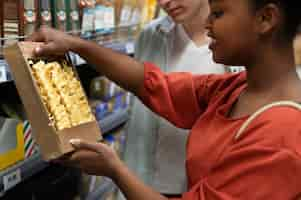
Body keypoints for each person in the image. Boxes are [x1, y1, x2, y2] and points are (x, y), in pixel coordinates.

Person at [30, 0, 301, 199]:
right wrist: (77, 45)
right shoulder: (236, 88)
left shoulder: (282, 137)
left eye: (217, 13)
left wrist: (114, 169)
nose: (208, 25)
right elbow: (155, 85)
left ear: (266, 19)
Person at [125, 0, 225, 196]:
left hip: (202, 190)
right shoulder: (150, 36)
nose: (164, 2)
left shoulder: (234, 43)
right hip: (146, 183)